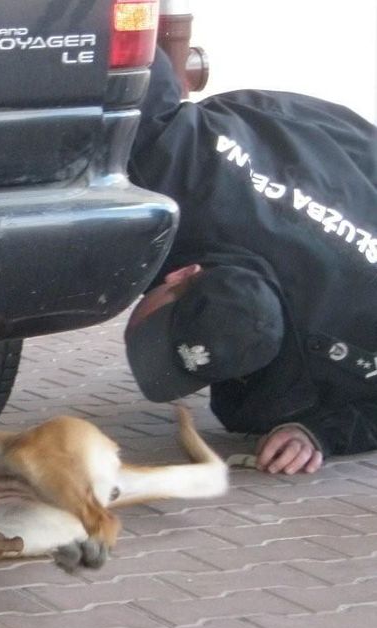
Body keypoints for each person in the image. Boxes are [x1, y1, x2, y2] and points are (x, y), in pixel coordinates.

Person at [124, 47, 377, 475]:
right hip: (314, 153)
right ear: (184, 272)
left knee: (269, 412)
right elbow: (137, 60)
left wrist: (318, 433)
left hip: (343, 238)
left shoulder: (347, 338)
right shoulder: (189, 171)